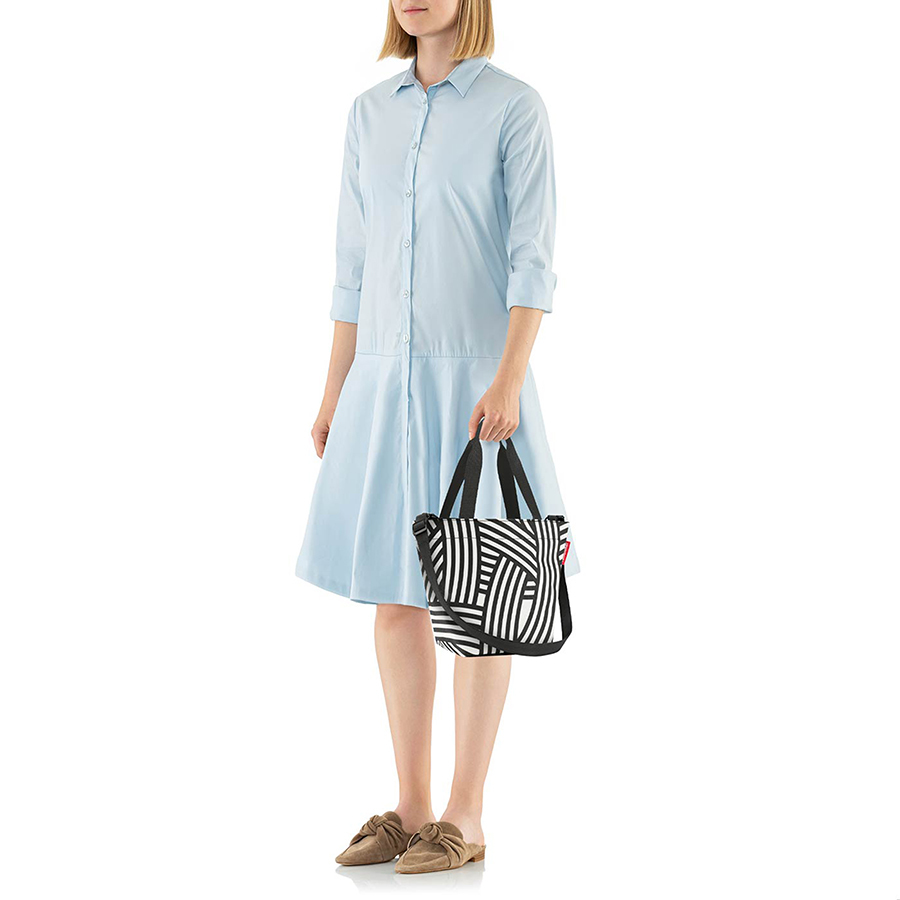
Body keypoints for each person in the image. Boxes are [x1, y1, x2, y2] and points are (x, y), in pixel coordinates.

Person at [295, 0, 579, 874]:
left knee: (482, 601)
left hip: (476, 390)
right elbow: (353, 266)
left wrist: (510, 377)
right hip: (383, 384)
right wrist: (335, 387)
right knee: (396, 596)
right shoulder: (367, 115)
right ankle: (412, 806)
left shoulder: (514, 107)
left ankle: (467, 813)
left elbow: (533, 258)